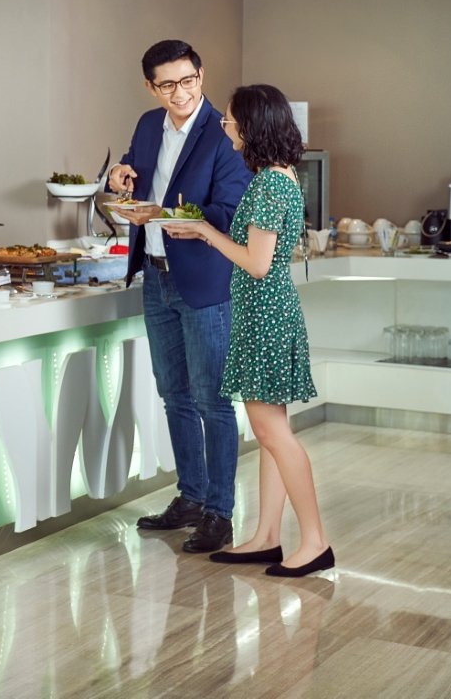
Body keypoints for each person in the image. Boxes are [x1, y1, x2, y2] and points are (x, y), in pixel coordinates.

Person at [162, 84, 333, 577]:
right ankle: (267, 537)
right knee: (271, 432)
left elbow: (257, 263)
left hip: (265, 316)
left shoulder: (269, 185)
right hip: (266, 313)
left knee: (272, 433)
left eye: (230, 120)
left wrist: (205, 232)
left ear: (253, 126)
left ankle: (315, 542)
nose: (225, 127)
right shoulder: (278, 177)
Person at [107, 39, 251, 554]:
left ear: (201, 75)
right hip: (155, 277)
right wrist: (119, 177)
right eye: (167, 85)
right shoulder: (149, 125)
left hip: (205, 282)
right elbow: (135, 172)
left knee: (213, 400)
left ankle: (220, 513)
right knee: (175, 395)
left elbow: (229, 210)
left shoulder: (223, 133)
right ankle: (191, 497)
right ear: (151, 87)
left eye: (188, 81)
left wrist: (167, 215)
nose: (180, 93)